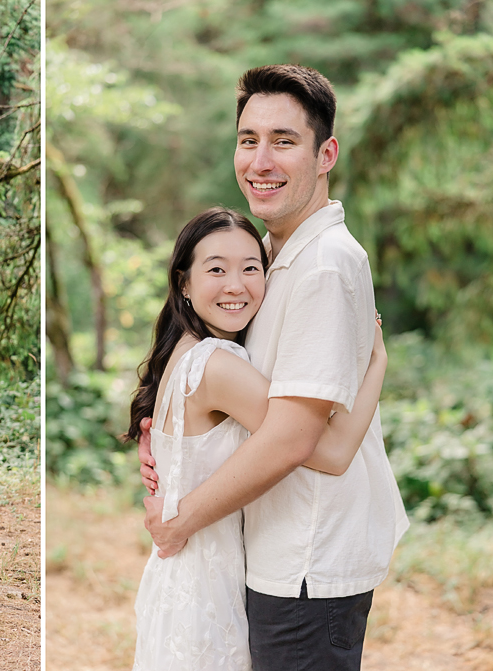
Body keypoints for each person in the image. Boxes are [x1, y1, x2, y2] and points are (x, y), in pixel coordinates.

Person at [137, 64, 409, 669]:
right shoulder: (266, 254)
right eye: (247, 140)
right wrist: (167, 444)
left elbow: (297, 437)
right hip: (264, 557)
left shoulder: (324, 265)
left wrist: (178, 522)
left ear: (325, 154)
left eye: (284, 141)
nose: (260, 159)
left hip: (306, 563)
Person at [128, 207, 388, 670]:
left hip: (181, 580)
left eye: (251, 268)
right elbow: (329, 449)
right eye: (216, 270)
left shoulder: (185, 352)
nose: (236, 285)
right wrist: (376, 363)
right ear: (183, 283)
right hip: (207, 586)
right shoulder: (217, 364)